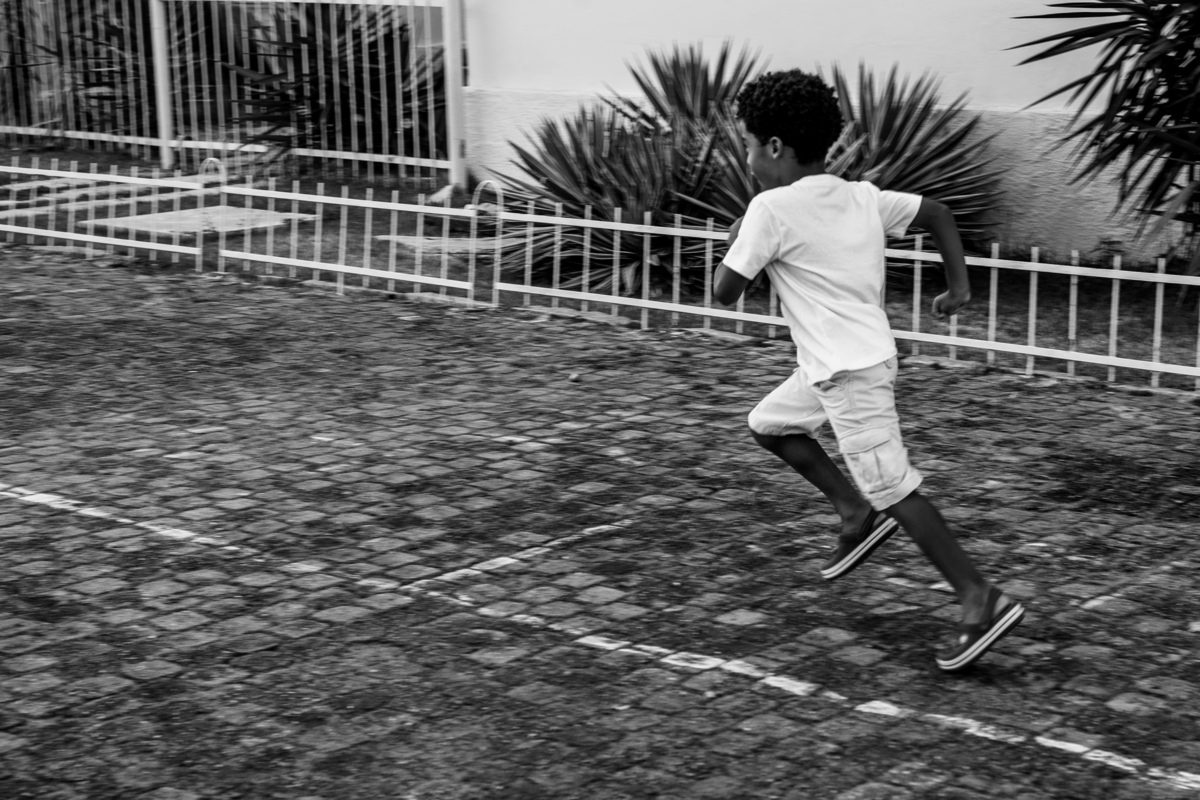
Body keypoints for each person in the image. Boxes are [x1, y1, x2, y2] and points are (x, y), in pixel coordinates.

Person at [713, 69, 1023, 672]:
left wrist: (739, 235)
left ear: (774, 147)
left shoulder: (769, 208)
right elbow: (937, 213)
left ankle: (976, 595)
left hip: (848, 373)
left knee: (896, 487)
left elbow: (726, 290)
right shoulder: (860, 196)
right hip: (842, 363)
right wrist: (957, 289)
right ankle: (853, 512)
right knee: (769, 423)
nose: (748, 158)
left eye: (749, 145)